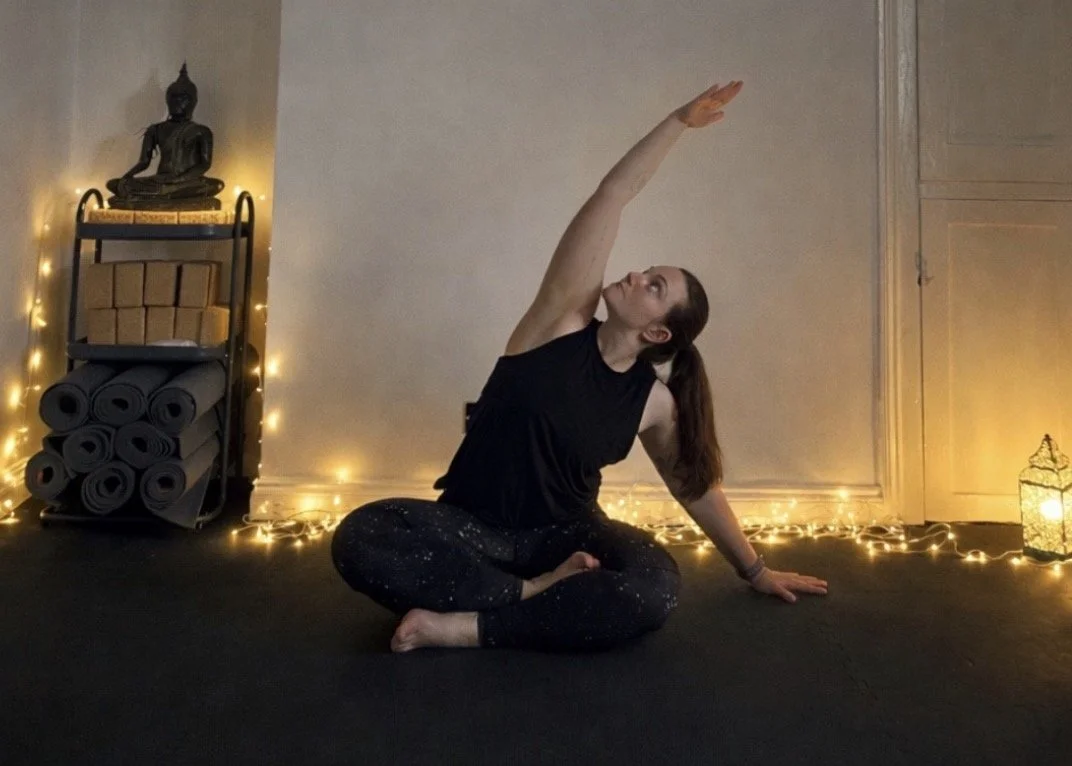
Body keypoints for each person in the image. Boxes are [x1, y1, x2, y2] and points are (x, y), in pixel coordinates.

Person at [331, 79, 828, 653]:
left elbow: (693, 486)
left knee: (656, 585)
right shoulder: (558, 321)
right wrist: (676, 122)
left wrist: (754, 570)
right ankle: (532, 595)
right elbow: (612, 195)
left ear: (658, 331)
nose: (637, 274)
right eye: (646, 269)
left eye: (654, 284)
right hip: (471, 525)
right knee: (360, 537)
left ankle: (465, 626)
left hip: (566, 534)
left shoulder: (653, 402)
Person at [106, 63, 225, 209]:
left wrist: (179, 179)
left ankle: (155, 196)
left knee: (216, 185)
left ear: (193, 101)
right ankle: (164, 194)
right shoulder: (156, 129)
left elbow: (204, 164)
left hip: (185, 183)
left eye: (183, 99)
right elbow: (144, 162)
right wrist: (126, 178)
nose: (177, 103)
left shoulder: (201, 131)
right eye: (173, 98)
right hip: (160, 180)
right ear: (167, 100)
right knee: (113, 184)